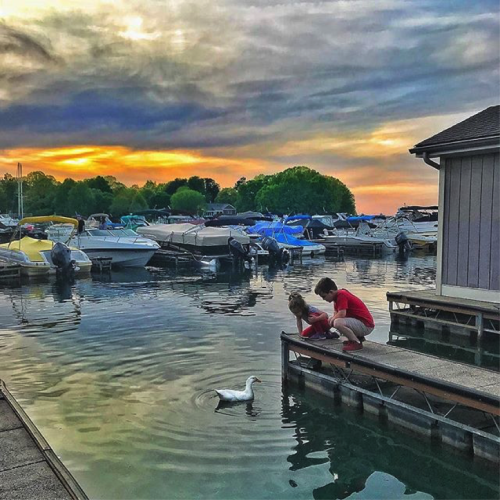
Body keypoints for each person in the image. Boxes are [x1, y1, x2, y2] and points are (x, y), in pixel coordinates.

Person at [314, 277, 374, 351]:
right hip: (361, 324)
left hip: (366, 325)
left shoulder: (341, 295)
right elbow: (336, 314)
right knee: (333, 320)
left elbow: (342, 314)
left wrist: (332, 320)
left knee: (337, 322)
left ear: (331, 292)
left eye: (324, 296)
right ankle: (357, 337)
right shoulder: (336, 299)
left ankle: (356, 342)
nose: (323, 299)